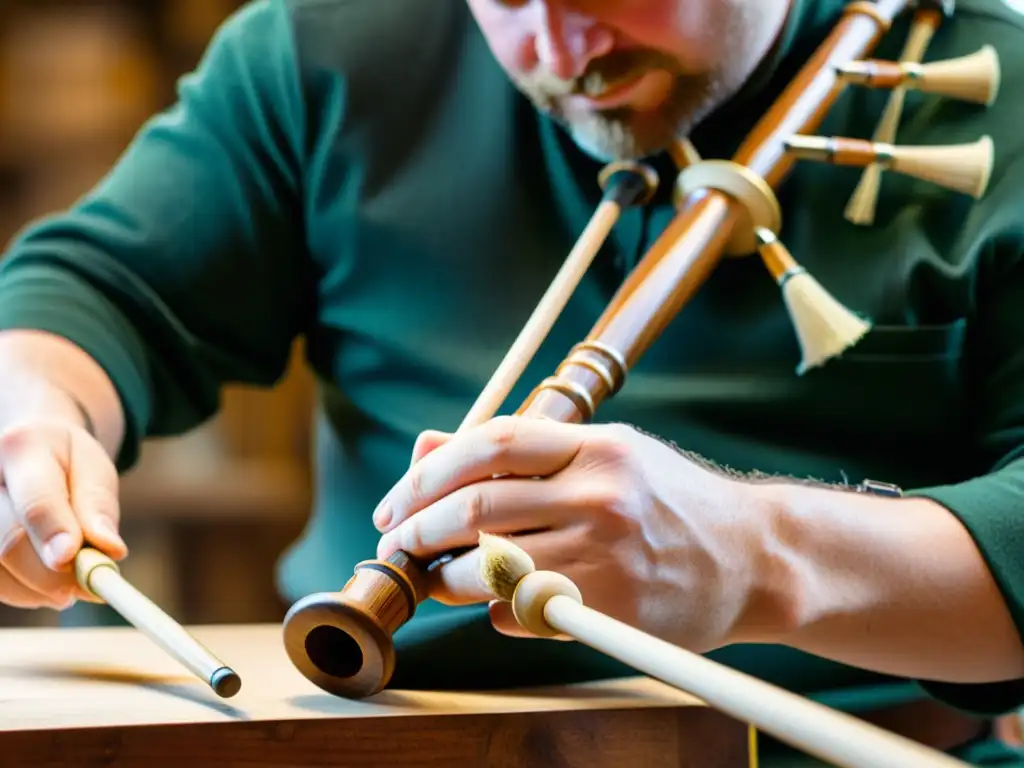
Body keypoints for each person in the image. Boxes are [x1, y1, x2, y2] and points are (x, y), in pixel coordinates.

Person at [0, 0, 1023, 763]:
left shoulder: (1000, 93)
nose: (563, 48)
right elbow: (98, 288)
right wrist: (33, 404)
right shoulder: (332, 42)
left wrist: (759, 557)